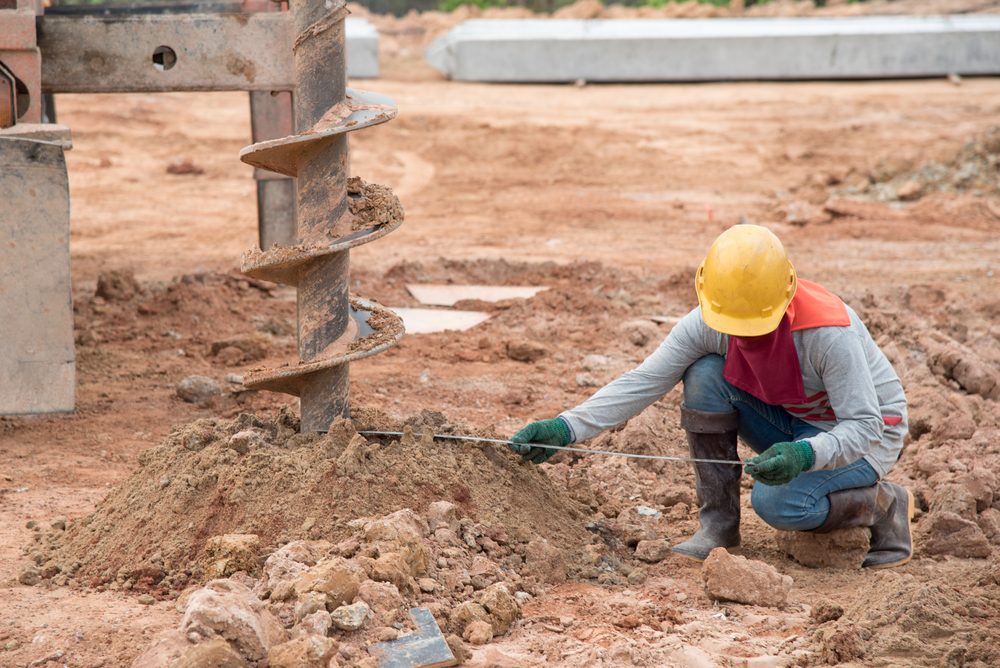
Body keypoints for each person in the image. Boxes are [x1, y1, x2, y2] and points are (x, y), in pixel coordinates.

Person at [510, 225, 912, 569]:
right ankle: (718, 524)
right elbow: (646, 379)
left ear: (783, 297)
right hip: (792, 418)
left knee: (779, 505)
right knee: (704, 374)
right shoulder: (710, 318)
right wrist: (565, 427)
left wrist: (805, 454)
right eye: (733, 325)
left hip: (865, 435)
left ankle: (884, 503)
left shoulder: (827, 335)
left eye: (754, 326)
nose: (741, 335)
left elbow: (865, 425)